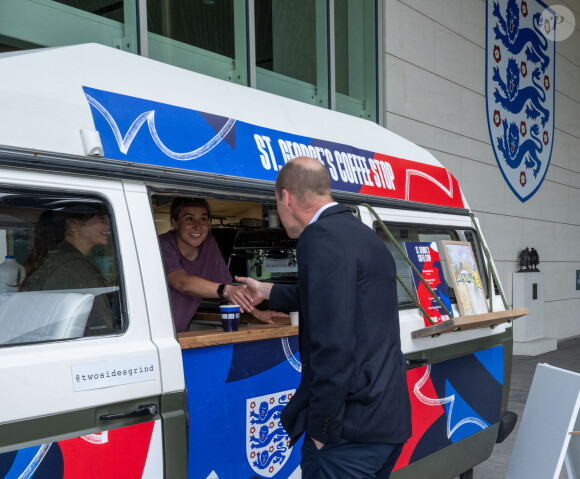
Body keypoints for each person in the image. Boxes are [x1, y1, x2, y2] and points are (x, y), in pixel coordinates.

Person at [237, 157, 412, 478]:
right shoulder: (362, 234)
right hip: (387, 419)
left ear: (286, 197)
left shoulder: (319, 238)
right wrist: (267, 290)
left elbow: (333, 344)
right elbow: (336, 296)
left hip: (348, 432)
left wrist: (321, 430)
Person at [159, 197, 286, 333]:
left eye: (203, 219)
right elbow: (181, 282)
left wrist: (257, 313)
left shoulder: (208, 244)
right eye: (189, 219)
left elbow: (230, 291)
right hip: (152, 335)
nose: (198, 226)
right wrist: (226, 290)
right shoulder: (163, 245)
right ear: (175, 222)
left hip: (179, 333)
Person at [20, 207, 114, 336]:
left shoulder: (58, 258)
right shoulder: (74, 267)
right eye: (101, 218)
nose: (108, 224)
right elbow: (101, 328)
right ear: (74, 225)